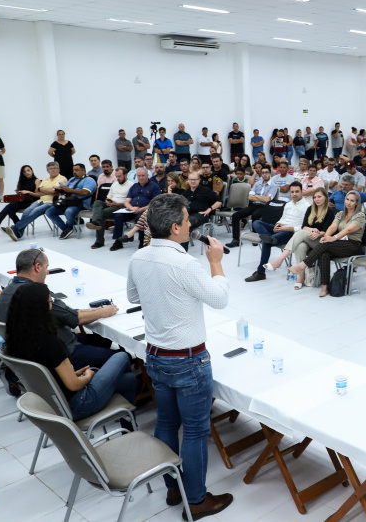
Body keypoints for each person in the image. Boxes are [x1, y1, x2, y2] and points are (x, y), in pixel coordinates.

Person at [126, 193, 232, 518]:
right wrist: (215, 262)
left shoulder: (138, 258)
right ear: (175, 228)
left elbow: (133, 296)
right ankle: (196, 501)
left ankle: (174, 489)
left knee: (167, 423)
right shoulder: (186, 263)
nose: (190, 225)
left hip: (156, 355)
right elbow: (219, 298)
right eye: (187, 221)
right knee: (197, 429)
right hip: (188, 360)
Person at [4, 281, 137, 420]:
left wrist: (73, 374)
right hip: (77, 404)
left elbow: (50, 372)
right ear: (42, 308)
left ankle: (127, 424)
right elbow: (74, 385)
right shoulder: (50, 342)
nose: (52, 305)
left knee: (129, 380)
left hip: (50, 404)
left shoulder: (16, 338)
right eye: (50, 301)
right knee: (122, 356)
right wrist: (88, 376)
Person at [0, 248, 120, 370]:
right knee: (121, 357)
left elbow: (61, 313)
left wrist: (87, 311)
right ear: (37, 267)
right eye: (46, 267)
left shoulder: (5, 293)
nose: (48, 272)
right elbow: (74, 318)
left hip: (29, 354)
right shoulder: (37, 295)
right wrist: (104, 312)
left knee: (103, 339)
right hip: (62, 353)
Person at [288, 192, 366, 297]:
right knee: (324, 254)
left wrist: (332, 238)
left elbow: (349, 229)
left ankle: (303, 265)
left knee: (327, 244)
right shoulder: (340, 214)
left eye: (352, 201)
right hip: (340, 243)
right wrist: (326, 237)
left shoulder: (360, 215)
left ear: (357, 203)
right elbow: (333, 227)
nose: (349, 203)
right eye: (347, 199)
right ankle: (325, 286)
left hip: (353, 244)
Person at [261, 188, 335, 289]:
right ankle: (301, 277)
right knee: (300, 246)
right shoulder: (310, 209)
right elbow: (304, 226)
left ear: (325, 198)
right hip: (308, 237)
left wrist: (318, 233)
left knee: (301, 233)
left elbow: (327, 231)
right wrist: (312, 229)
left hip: (320, 241)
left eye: (319, 197)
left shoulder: (330, 212)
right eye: (315, 197)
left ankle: (280, 259)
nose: (317, 199)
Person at [245, 182, 308, 282]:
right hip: (281, 229)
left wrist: (286, 228)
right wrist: (278, 224)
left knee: (266, 242)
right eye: (292, 192)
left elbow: (304, 228)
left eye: (297, 191)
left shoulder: (307, 206)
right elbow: (282, 219)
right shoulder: (288, 204)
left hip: (291, 233)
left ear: (302, 192)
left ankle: (261, 272)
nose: (294, 194)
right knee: (257, 222)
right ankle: (269, 237)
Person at [0, 162, 67, 242]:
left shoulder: (62, 179)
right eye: (50, 169)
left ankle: (15, 228)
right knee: (27, 212)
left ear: (59, 170)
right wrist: (48, 190)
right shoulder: (46, 179)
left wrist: (43, 189)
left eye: (54, 168)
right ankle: (19, 233)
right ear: (47, 170)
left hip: (51, 202)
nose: (52, 170)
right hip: (40, 200)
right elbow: (37, 191)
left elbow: (53, 192)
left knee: (35, 211)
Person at [110, 168, 161, 251]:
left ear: (147, 175)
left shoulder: (154, 186)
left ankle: (141, 241)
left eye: (143, 175)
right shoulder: (134, 186)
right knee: (118, 216)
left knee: (139, 218)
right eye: (139, 176)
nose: (141, 178)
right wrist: (132, 208)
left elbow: (155, 203)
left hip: (145, 210)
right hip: (132, 209)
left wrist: (141, 209)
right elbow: (127, 202)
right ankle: (118, 240)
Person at [45, 163, 97, 240]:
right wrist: (61, 189)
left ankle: (69, 227)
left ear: (83, 171)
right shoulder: (72, 179)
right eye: (73, 170)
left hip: (80, 203)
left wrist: (70, 190)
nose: (74, 172)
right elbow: (67, 190)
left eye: (77, 170)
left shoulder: (89, 180)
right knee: (49, 212)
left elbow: (86, 192)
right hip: (68, 202)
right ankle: (66, 229)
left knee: (68, 211)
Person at [86, 167, 133, 249]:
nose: (117, 178)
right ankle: (96, 222)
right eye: (116, 176)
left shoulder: (131, 185)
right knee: (97, 203)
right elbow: (108, 197)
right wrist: (108, 201)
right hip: (111, 204)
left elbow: (130, 203)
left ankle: (99, 240)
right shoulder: (114, 184)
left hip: (121, 206)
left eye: (119, 176)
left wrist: (117, 204)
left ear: (125, 175)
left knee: (101, 214)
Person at [180, 172, 222, 251]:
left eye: (195, 180)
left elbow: (219, 201)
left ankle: (183, 251)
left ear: (199, 180)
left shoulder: (206, 191)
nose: (192, 181)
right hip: (187, 215)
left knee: (186, 225)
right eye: (191, 180)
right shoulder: (186, 193)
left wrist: (209, 209)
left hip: (201, 215)